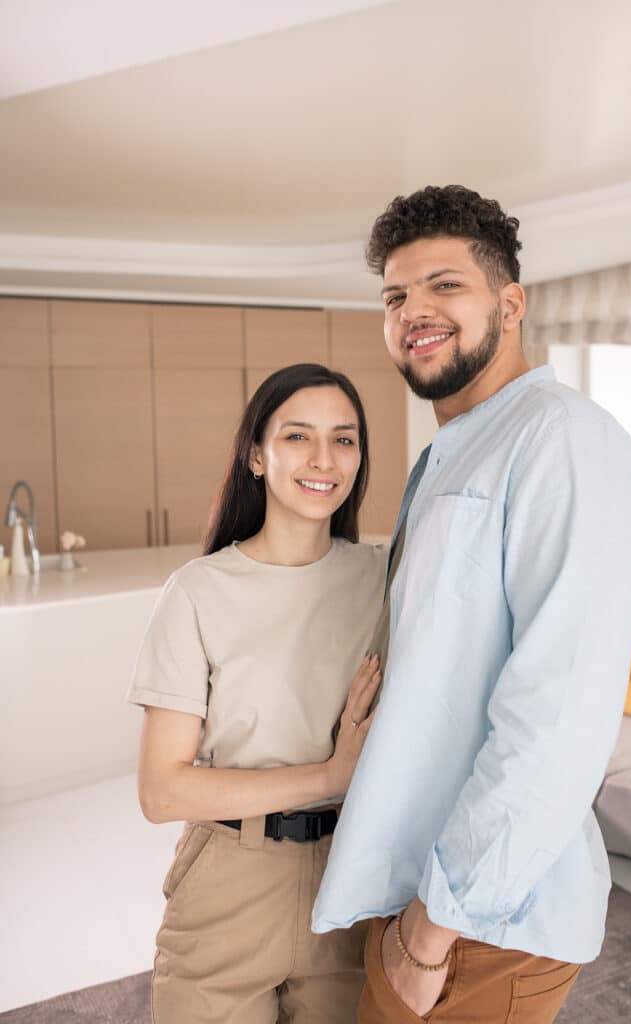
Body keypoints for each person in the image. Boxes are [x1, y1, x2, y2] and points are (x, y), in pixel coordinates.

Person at [312, 186, 631, 1024]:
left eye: (443, 285)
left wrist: (433, 931)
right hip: (422, 894)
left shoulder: (564, 441)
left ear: (511, 303)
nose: (413, 311)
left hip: (480, 922)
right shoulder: (455, 452)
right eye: (395, 296)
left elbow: (559, 719)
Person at [127, 362, 387, 1024]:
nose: (324, 458)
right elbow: (163, 791)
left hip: (352, 880)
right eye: (298, 436)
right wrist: (330, 774)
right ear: (255, 454)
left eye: (345, 438)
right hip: (226, 888)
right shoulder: (197, 592)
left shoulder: (387, 580)